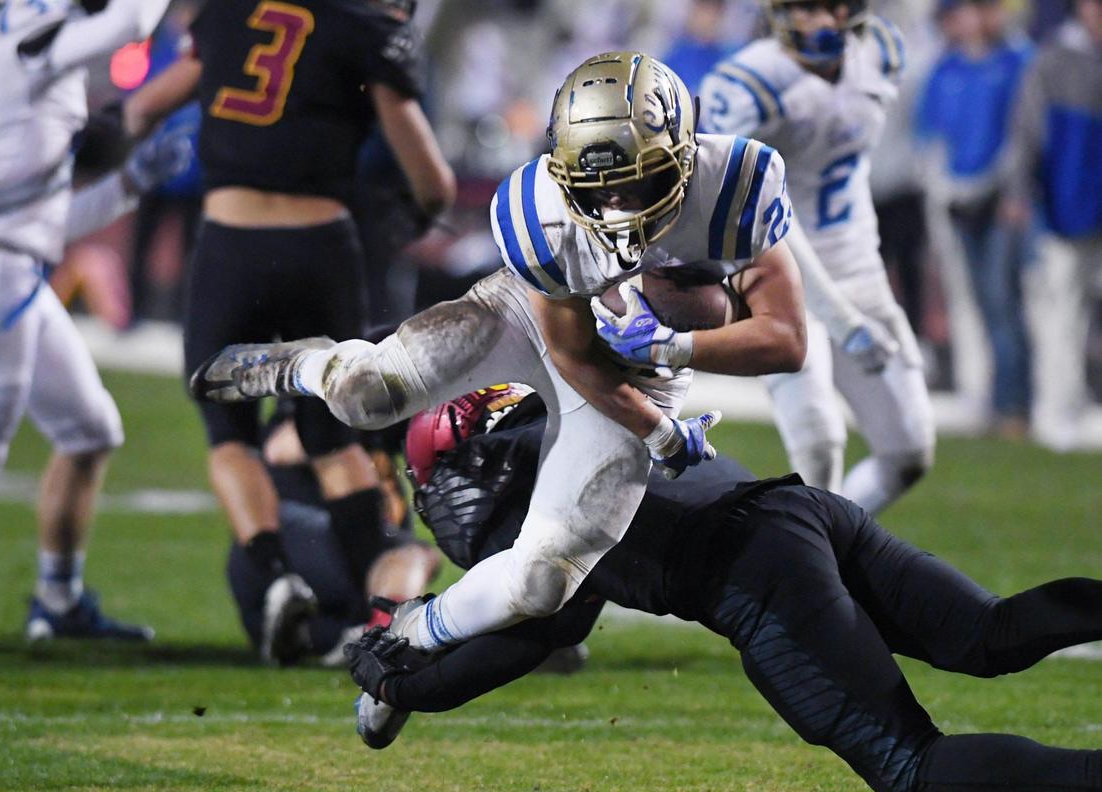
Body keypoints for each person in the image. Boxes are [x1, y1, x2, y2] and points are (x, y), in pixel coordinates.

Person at [191, 52, 807, 657]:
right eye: (599, 191)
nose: (619, 208)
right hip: (537, 316)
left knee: (544, 581)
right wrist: (660, 434)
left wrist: (678, 344)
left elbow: (788, 340)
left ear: (684, 143)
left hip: (645, 371)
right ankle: (306, 365)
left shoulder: (736, 186)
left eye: (636, 180)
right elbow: (570, 352)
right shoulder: (542, 212)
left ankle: (411, 633)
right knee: (365, 397)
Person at [345, 387, 1102, 792]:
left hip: (755, 572)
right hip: (805, 511)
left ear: (470, 457)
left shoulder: (527, 496)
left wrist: (400, 678)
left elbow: (534, 630)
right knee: (987, 632)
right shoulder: (586, 408)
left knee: (911, 767)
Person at [123, 0, 457, 663]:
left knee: (230, 434)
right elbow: (431, 176)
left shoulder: (228, 12)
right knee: (333, 438)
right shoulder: (367, 25)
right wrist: (424, 212)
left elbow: (142, 108)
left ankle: (274, 575)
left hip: (229, 245)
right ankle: (377, 613)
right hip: (319, 248)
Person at [0, 0, 187, 640]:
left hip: (6, 261)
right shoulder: (12, 42)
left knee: (90, 430)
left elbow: (38, 223)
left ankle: (57, 601)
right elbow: (130, 24)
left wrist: (129, 184)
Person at [699, 0, 936, 513]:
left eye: (835, 6)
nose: (825, 21)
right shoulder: (746, 83)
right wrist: (842, 319)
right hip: (779, 280)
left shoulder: (879, 52)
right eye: (809, 7)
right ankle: (811, 571)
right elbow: (762, 215)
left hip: (859, 268)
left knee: (909, 450)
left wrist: (863, 305)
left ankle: (822, 548)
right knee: (820, 447)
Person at [227, 402, 442, 665]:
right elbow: (283, 447)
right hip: (287, 550)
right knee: (413, 555)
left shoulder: (387, 422)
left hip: (332, 573)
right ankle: (387, 634)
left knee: (355, 615)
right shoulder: (319, 413)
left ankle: (337, 634)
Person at [917, 0, 1034, 438]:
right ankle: (983, 397)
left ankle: (1015, 404)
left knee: (1004, 300)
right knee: (971, 304)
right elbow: (931, 137)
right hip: (958, 202)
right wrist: (945, 187)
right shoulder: (946, 69)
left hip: (1003, 201)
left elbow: (1020, 136)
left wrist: (988, 187)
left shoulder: (1018, 62)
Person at [1001, 0, 1102, 452]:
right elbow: (1026, 134)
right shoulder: (1053, 63)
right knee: (1061, 316)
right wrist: (1021, 193)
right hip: (1067, 209)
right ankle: (1058, 413)